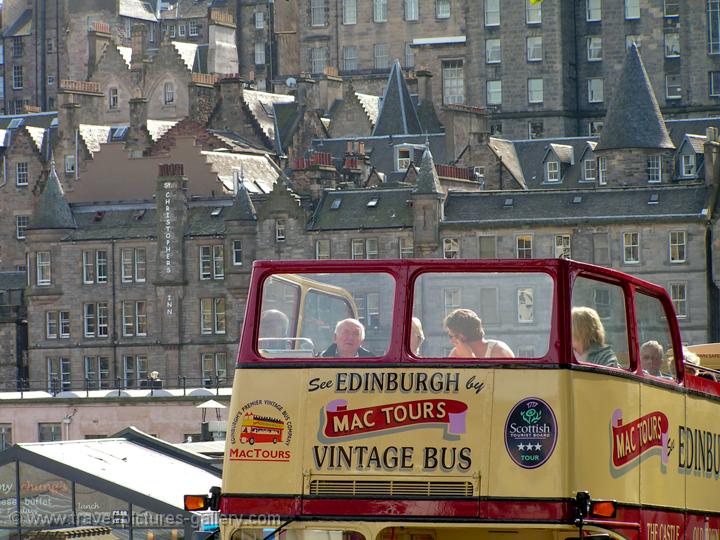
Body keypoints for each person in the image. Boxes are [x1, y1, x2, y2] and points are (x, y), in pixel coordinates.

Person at [444, 308, 514, 358]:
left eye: (451, 336)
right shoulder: (455, 353)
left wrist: (470, 359)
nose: (451, 341)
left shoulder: (499, 351)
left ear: (462, 336)